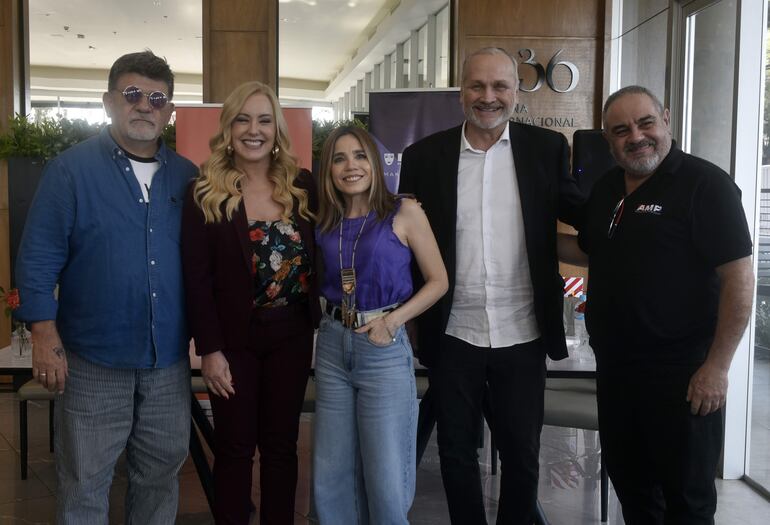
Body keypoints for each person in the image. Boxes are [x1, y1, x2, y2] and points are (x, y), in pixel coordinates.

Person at [398, 47, 584, 524]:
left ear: (516, 92)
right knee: (455, 451)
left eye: (500, 86)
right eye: (477, 86)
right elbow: (407, 246)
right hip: (452, 330)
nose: (488, 96)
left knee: (522, 454)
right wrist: (410, 316)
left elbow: (580, 211)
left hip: (523, 329)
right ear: (461, 93)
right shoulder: (424, 157)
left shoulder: (546, 149)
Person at [14, 51, 196, 523]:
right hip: (93, 360)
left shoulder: (188, 177)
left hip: (167, 362)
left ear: (170, 112)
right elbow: (38, 258)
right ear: (109, 102)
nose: (145, 106)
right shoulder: (70, 171)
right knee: (84, 482)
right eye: (133, 94)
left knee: (160, 478)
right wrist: (44, 336)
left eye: (157, 98)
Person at [558, 85, 754, 524]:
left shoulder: (706, 185)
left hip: (683, 375)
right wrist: (523, 235)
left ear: (666, 119)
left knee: (687, 500)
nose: (636, 137)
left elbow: (739, 279)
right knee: (634, 491)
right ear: (608, 139)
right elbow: (590, 250)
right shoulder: (608, 187)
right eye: (621, 130)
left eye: (645, 123)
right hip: (617, 372)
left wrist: (717, 368)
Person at [181, 80, 320, 525]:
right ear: (228, 128)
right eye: (243, 119)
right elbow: (196, 279)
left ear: (277, 129)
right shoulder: (204, 191)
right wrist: (210, 350)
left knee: (281, 447)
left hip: (292, 334)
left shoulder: (302, 186)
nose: (253, 130)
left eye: (264, 120)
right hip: (232, 341)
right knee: (235, 448)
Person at [312, 126, 448, 524]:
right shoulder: (325, 219)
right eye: (339, 159)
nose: (350, 166)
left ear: (374, 162)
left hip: (382, 347)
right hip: (333, 346)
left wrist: (393, 322)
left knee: (386, 474)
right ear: (328, 169)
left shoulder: (403, 212)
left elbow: (438, 280)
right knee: (331, 474)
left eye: (359, 156)